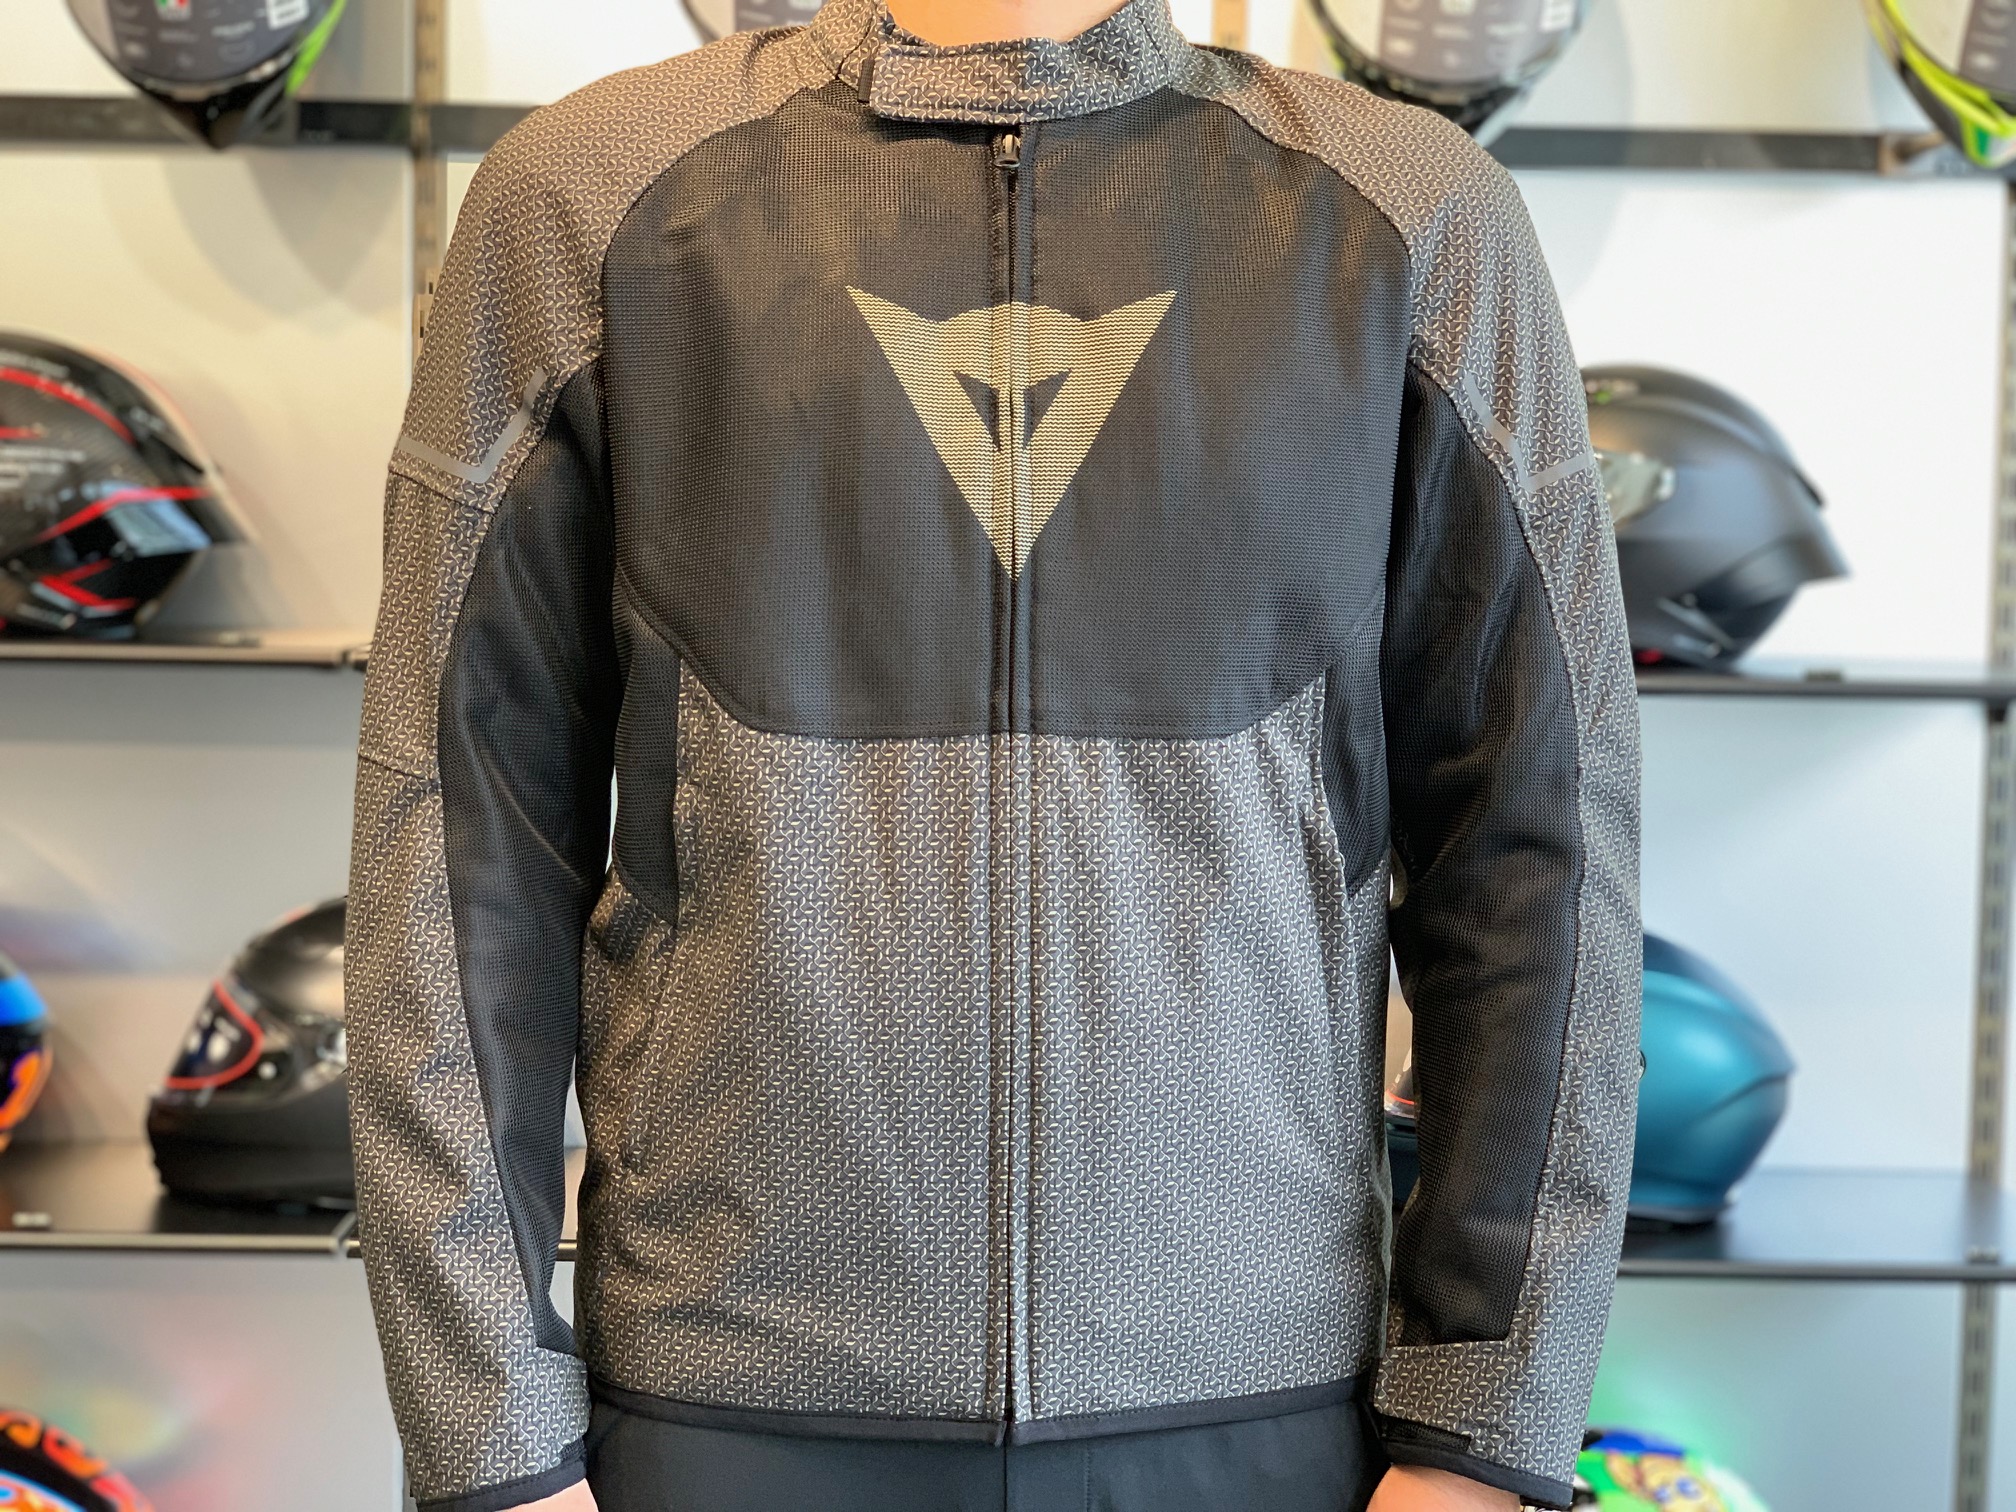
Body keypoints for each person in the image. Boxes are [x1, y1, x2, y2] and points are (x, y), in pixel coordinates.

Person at [345, 0, 1642, 1509]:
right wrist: (490, 1440)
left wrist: (1484, 1428)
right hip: (732, 1402)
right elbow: (455, 831)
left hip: (1257, 1402)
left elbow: (1540, 836)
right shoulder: (593, 191)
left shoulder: (1407, 212)